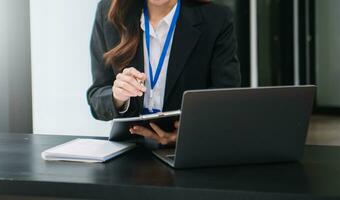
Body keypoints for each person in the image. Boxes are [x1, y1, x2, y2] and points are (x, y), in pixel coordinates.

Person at [87, 0, 241, 145]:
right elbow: (96, 98)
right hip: (129, 150)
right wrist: (118, 97)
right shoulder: (109, 12)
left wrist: (189, 133)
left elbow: (226, 97)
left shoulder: (216, 19)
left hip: (189, 148)